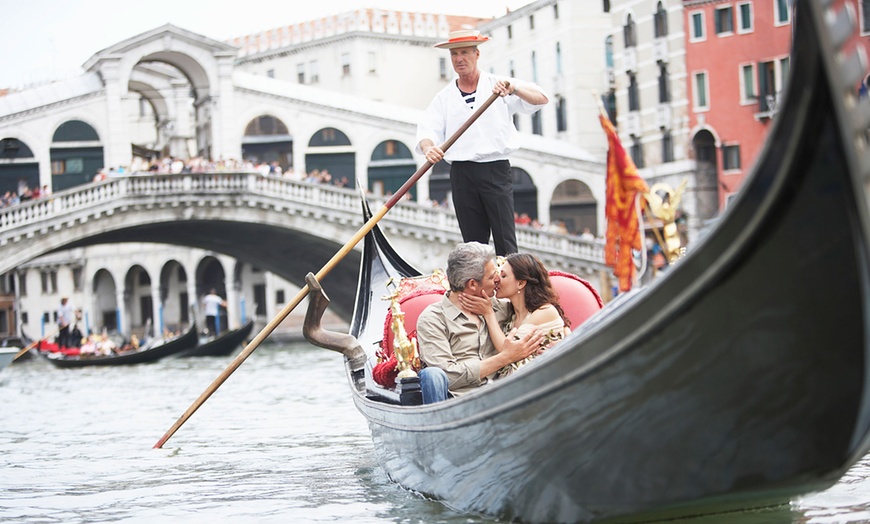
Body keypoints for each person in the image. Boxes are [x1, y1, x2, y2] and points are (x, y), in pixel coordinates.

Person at [416, 29, 549, 256]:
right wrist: (430, 148)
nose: (459, 59)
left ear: (476, 54)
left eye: (465, 53)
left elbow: (541, 98)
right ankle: (480, 288)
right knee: (473, 246)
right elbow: (428, 129)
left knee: (505, 240)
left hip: (495, 168)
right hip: (462, 173)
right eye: (454, 54)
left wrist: (513, 89)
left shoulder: (499, 86)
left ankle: (510, 286)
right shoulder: (444, 97)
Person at [416, 242, 545, 404]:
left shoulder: (502, 306)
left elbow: (541, 307)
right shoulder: (433, 318)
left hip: (504, 396)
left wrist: (558, 338)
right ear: (472, 284)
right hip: (455, 403)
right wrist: (504, 358)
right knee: (432, 375)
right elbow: (447, 376)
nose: (497, 279)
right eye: (492, 277)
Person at [459, 253, 571, 378]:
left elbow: (507, 352)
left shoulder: (544, 311)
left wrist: (488, 313)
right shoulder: (511, 311)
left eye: (503, 276)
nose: (497, 280)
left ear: (521, 283)